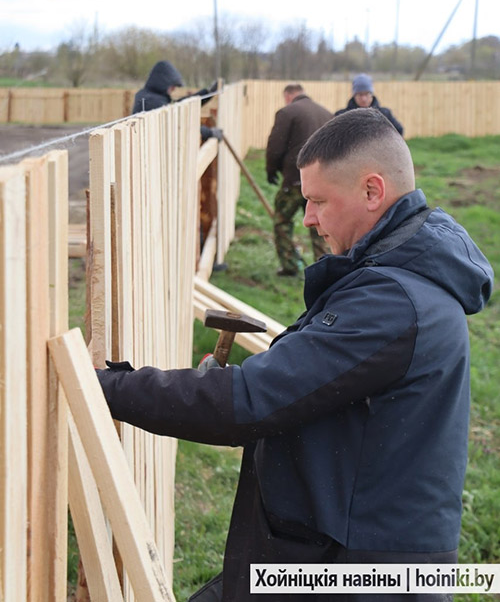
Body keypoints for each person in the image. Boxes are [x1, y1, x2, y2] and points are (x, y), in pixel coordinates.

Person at [96, 108, 493, 602]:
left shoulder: (392, 302)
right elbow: (300, 385)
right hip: (339, 550)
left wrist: (104, 387)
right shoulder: (390, 279)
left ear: (373, 191)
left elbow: (251, 401)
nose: (307, 217)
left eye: (318, 201)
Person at [265, 83, 332, 276]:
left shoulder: (287, 113)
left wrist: (271, 170)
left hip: (295, 180)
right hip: (322, 182)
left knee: (282, 222)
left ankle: (290, 265)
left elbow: (275, 146)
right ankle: (324, 269)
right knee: (320, 226)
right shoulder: (327, 114)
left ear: (288, 96)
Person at [132, 60, 221, 142]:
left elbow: (178, 106)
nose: (174, 88)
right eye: (172, 85)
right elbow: (179, 125)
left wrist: (206, 93)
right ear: (162, 82)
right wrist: (208, 132)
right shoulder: (151, 101)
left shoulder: (152, 96)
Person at [335, 73, 404, 135]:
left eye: (366, 94)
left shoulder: (385, 114)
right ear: (354, 95)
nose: (364, 99)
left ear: (371, 94)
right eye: (360, 94)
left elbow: (399, 131)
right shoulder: (341, 116)